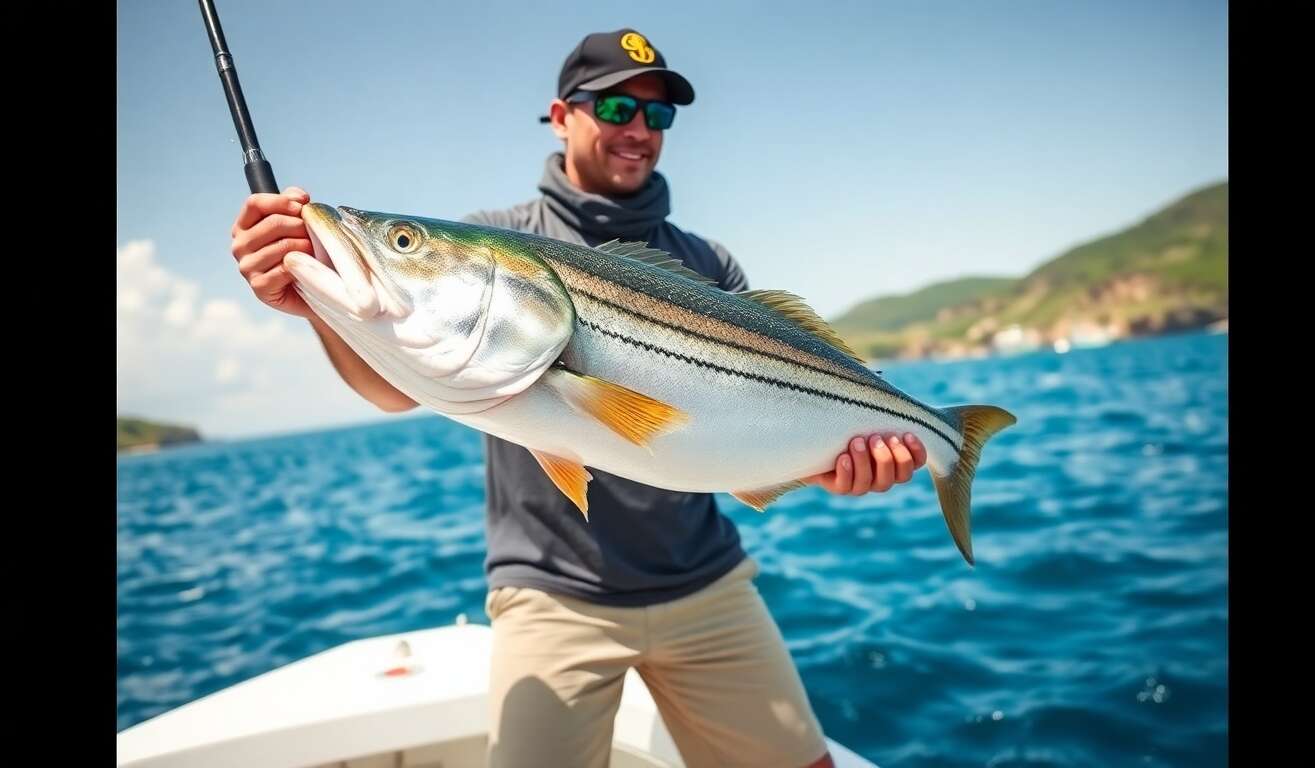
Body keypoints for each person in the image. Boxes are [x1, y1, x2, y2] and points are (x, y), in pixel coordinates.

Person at [228, 27, 927, 768]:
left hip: (706, 584)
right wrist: (320, 305)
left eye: (657, 115)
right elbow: (392, 387)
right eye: (617, 107)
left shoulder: (707, 264)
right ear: (561, 118)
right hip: (551, 596)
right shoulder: (497, 235)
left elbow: (748, 427)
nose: (638, 129)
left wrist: (828, 466)